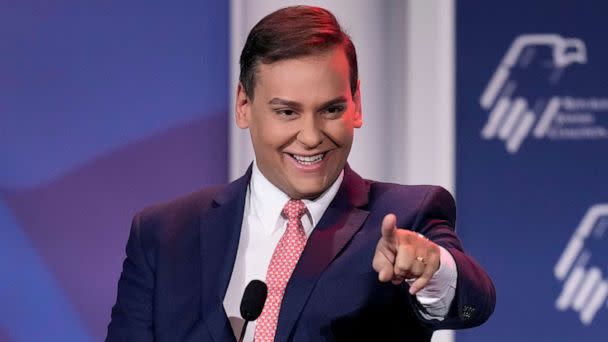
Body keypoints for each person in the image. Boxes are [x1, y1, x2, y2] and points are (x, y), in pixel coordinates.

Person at [106, 5, 495, 342]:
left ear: (356, 104)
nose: (310, 137)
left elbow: (473, 298)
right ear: (244, 105)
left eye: (330, 110)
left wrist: (432, 267)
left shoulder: (406, 215)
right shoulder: (163, 233)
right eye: (287, 112)